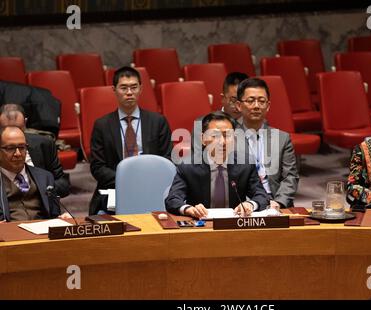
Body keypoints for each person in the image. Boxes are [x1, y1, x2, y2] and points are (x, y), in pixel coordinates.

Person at [90, 66, 172, 215]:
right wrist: (127, 180)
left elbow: (167, 158)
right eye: (123, 88)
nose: (129, 93)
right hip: (115, 188)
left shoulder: (158, 122)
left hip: (152, 186)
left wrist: (145, 179)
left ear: (141, 89)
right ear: (114, 90)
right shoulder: (102, 125)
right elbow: (97, 167)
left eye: (134, 87)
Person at [165, 111, 269, 218]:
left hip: (235, 226)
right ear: (203, 139)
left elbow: (262, 196)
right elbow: (172, 199)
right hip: (201, 225)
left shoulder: (245, 164)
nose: (222, 142)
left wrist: (250, 204)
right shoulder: (187, 166)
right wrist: (189, 209)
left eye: (227, 135)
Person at [235, 77, 299, 210]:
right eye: (251, 101)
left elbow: (290, 176)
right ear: (239, 106)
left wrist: (279, 202)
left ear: (268, 106)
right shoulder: (228, 137)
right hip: (242, 204)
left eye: (262, 101)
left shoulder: (282, 138)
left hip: (275, 202)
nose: (257, 106)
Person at [0, 103, 70, 198]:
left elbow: (63, 184)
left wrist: (39, 189)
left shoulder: (45, 144)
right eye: (6, 129)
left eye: (19, 128)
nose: (14, 134)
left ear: (25, 122)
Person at [0, 126, 69, 222]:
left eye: (22, 147)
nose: (18, 153)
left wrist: (61, 218)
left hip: (42, 234)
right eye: (10, 148)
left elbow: (54, 214)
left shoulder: (45, 177)